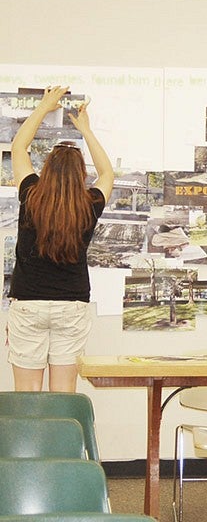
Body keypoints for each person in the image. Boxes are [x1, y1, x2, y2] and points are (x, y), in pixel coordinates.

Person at [7, 86, 114, 392]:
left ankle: (28, 443)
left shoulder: (31, 194)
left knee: (27, 398)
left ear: (47, 170)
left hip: (29, 305)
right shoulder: (89, 203)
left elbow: (18, 148)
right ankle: (61, 443)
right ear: (81, 174)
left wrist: (44, 106)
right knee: (63, 396)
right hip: (71, 306)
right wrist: (86, 131)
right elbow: (107, 173)